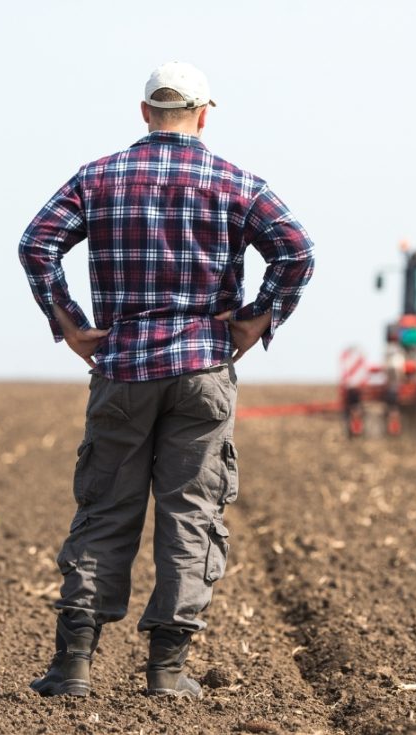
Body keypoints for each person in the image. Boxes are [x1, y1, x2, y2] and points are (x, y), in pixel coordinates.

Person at [18, 62, 315, 698]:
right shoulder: (238, 183)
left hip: (122, 367)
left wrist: (69, 324)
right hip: (203, 370)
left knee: (105, 510)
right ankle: (168, 671)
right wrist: (258, 318)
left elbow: (36, 243)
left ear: (144, 112)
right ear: (205, 114)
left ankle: (72, 667)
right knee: (192, 514)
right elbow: (297, 250)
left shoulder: (97, 177)